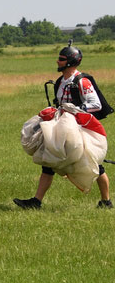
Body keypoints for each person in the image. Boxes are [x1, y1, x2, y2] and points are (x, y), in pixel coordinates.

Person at [14, 44, 113, 209]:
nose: (58, 61)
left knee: (94, 164)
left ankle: (106, 201)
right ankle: (36, 202)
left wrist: (74, 110)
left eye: (61, 59)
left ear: (71, 61)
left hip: (80, 129)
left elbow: (95, 104)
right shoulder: (61, 81)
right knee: (49, 160)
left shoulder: (82, 81)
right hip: (62, 127)